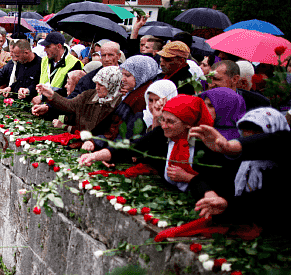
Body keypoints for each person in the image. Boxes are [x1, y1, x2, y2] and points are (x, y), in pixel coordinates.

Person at [79, 95, 218, 193]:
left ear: (188, 124)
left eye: (170, 122)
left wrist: (188, 178)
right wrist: (95, 156)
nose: (164, 125)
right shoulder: (160, 134)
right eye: (163, 119)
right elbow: (130, 148)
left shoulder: (204, 144)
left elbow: (216, 182)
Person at [189, 108, 291, 234]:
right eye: (245, 129)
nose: (250, 135)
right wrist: (209, 193)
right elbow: (200, 179)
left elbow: (266, 203)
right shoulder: (238, 161)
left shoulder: (280, 166)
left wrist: (229, 205)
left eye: (257, 131)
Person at [35, 66, 124, 149]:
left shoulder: (120, 105)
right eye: (96, 84)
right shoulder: (89, 95)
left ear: (112, 85)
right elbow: (69, 105)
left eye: (101, 85)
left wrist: (94, 142)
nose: (97, 88)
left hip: (100, 150)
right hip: (80, 143)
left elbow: (113, 134)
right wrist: (51, 96)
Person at [32, 31, 83, 105]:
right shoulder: (44, 60)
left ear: (59, 46)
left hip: (58, 108)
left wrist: (43, 97)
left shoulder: (75, 63)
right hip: (40, 106)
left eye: (48, 47)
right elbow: (36, 80)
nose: (45, 50)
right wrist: (28, 90)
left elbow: (68, 91)